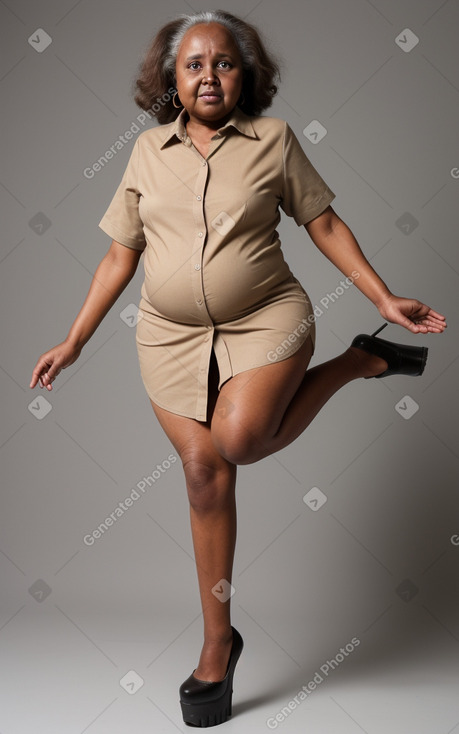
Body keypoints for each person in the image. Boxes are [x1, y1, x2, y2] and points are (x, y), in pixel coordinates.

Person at [29, 9, 446, 728]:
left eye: (222, 63)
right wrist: (74, 340)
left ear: (244, 75)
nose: (208, 75)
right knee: (202, 476)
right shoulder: (146, 155)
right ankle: (218, 642)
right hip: (168, 337)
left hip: (266, 319)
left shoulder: (274, 142)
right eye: (192, 65)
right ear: (169, 80)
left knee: (241, 441)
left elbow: (321, 222)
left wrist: (381, 296)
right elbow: (118, 256)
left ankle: (355, 359)